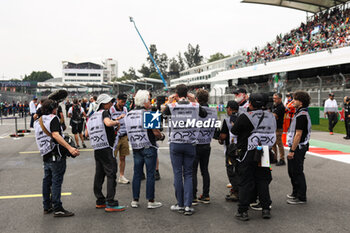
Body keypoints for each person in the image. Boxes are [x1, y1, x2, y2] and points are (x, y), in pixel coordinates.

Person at [163, 84, 207, 216]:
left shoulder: (171, 106)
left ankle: (180, 204)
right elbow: (204, 114)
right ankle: (188, 206)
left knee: (177, 173)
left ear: (176, 94)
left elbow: (161, 116)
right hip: (190, 143)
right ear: (188, 94)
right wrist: (194, 101)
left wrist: (170, 102)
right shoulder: (195, 105)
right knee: (188, 174)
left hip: (175, 143)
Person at [231, 93, 276, 221]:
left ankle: (243, 210)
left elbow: (234, 132)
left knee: (245, 181)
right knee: (263, 180)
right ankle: (266, 208)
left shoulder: (245, 116)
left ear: (250, 103)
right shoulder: (271, 116)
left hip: (248, 151)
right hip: (264, 150)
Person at [34, 99, 79, 217]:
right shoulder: (53, 119)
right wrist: (70, 148)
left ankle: (46, 206)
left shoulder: (37, 121)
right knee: (56, 182)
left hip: (45, 154)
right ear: (53, 109)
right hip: (56, 155)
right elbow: (55, 134)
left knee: (46, 181)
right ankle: (58, 208)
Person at [86, 94, 126, 212]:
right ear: (104, 104)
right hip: (106, 147)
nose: (111, 104)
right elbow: (108, 123)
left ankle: (100, 200)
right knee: (111, 173)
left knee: (99, 174)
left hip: (97, 148)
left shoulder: (92, 116)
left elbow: (86, 133)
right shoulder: (104, 113)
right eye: (109, 102)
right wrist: (116, 123)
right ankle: (111, 202)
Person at [125, 90, 165, 209]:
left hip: (136, 147)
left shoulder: (129, 114)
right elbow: (156, 132)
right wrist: (162, 136)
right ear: (144, 101)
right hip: (149, 146)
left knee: (137, 173)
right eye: (149, 100)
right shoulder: (149, 114)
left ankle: (135, 200)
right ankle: (151, 200)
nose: (151, 102)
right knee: (150, 174)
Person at [192, 89, 217, 205]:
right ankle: (206, 195)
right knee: (205, 170)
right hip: (207, 143)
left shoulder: (194, 110)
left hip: (195, 143)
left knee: (193, 171)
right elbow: (214, 128)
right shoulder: (213, 111)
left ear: (197, 99)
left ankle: (193, 196)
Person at [286, 91, 311, 205]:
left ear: (300, 102)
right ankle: (295, 192)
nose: (293, 101)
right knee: (292, 171)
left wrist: (292, 150)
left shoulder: (302, 115)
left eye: (295, 99)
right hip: (297, 146)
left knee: (297, 171)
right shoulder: (299, 113)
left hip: (298, 147)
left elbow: (298, 134)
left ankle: (301, 197)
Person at [218, 100, 239, 202]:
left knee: (231, 170)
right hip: (243, 148)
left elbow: (223, 136)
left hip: (231, 150)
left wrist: (220, 140)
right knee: (241, 171)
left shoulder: (227, 120)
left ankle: (235, 193)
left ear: (229, 108)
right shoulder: (243, 117)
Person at [110, 93, 130, 184]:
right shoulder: (111, 109)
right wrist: (118, 118)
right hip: (114, 136)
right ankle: (111, 176)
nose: (123, 103)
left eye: (125, 101)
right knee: (112, 158)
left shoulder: (125, 109)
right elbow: (107, 121)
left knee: (123, 157)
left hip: (124, 135)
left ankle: (121, 176)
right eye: (122, 101)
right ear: (117, 99)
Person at [272, 93, 286, 166]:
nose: (274, 100)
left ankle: (282, 159)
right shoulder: (275, 106)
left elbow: (274, 116)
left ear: (280, 99)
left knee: (279, 143)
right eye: (273, 98)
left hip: (278, 127)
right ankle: (274, 158)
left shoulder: (281, 107)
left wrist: (271, 114)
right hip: (273, 127)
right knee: (273, 143)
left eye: (276, 98)